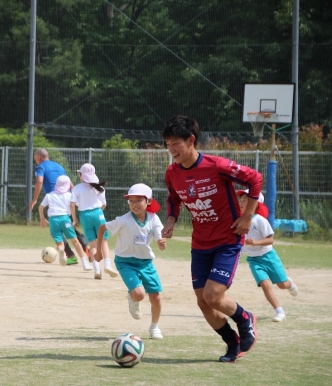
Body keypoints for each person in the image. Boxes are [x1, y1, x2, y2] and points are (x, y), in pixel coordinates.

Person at [161, 115, 261, 363]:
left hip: (228, 239)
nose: (171, 150)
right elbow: (173, 198)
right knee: (203, 302)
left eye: (176, 143)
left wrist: (247, 216)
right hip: (200, 243)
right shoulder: (172, 173)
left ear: (191, 140)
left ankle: (245, 318)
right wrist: (171, 221)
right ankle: (232, 344)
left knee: (213, 296)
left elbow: (255, 179)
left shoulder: (217, 166)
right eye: (168, 144)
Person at [95, 183, 166, 339]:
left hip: (146, 262)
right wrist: (99, 252)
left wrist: (161, 241)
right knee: (139, 294)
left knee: (156, 297)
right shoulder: (123, 220)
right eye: (131, 201)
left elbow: (159, 235)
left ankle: (154, 327)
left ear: (148, 201)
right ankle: (133, 296)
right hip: (125, 262)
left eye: (138, 200)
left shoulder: (153, 218)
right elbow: (102, 228)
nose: (134, 204)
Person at [237, 189, 299, 322]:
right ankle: (279, 311)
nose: (241, 202)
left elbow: (271, 240)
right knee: (265, 284)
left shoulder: (260, 220)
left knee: (282, 284)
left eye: (245, 200)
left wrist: (256, 242)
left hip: (268, 256)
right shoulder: (237, 220)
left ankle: (290, 284)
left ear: (256, 204)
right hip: (253, 260)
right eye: (241, 200)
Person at [29, 148, 90, 265]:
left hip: (54, 198)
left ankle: (70, 255)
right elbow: (70, 182)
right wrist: (75, 195)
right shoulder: (58, 166)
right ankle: (85, 246)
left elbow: (39, 181)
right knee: (68, 225)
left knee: (57, 229)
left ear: (39, 158)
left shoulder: (40, 167)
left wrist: (35, 199)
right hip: (67, 197)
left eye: (35, 158)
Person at [71, 163, 118, 280]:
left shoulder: (77, 188)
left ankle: (97, 269)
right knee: (103, 242)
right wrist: (98, 213)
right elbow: (104, 204)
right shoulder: (100, 188)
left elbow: (72, 204)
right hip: (98, 214)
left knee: (92, 244)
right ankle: (107, 265)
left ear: (81, 175)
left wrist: (75, 218)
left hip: (84, 215)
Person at [38, 175, 92, 271]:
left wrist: (42, 218)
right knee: (75, 242)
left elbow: (41, 207)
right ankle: (85, 264)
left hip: (53, 221)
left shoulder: (50, 195)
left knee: (60, 243)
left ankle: (62, 251)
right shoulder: (69, 195)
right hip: (65, 219)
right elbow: (77, 205)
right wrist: (76, 219)